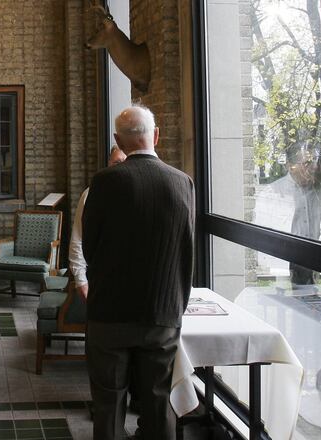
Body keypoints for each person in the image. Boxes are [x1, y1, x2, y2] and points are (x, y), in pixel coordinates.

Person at [83, 105, 195, 439]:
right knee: (158, 404)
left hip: (109, 315)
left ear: (118, 140)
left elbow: (91, 248)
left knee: (109, 405)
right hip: (162, 313)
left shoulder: (104, 182)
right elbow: (186, 250)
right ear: (156, 136)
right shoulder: (183, 183)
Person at [69, 145, 127, 300]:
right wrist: (80, 280)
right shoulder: (91, 194)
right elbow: (77, 238)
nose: (121, 167)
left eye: (126, 162)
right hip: (100, 279)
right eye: (117, 162)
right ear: (109, 163)